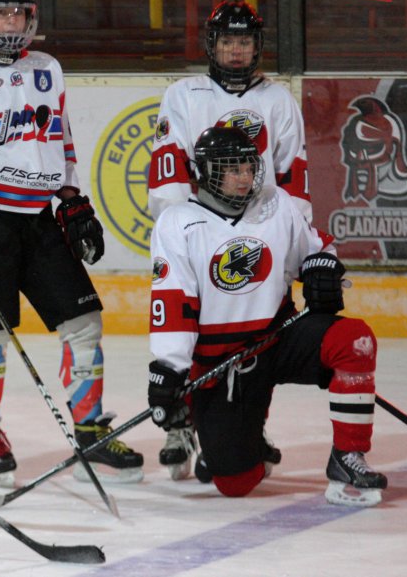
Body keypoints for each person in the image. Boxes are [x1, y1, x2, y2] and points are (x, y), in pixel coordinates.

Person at [0, 0, 144, 487]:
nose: (9, 21)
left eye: (17, 12)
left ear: (30, 17)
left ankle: (90, 431)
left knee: (83, 322)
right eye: (0, 12)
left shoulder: (48, 67)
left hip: (40, 220)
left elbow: (60, 140)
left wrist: (72, 199)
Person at [147, 126, 386, 507]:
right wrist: (170, 368)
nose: (244, 177)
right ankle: (224, 430)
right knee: (235, 482)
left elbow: (316, 247)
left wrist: (321, 268)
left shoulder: (277, 204)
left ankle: (348, 457)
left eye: (248, 167)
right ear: (205, 171)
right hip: (223, 361)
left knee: (353, 340)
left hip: (279, 337)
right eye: (232, 169)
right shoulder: (178, 222)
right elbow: (175, 301)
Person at [147, 0, 312, 480]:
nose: (236, 50)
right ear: (211, 45)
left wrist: (293, 244)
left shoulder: (277, 99)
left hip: (261, 231)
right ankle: (179, 424)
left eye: (244, 41)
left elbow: (292, 174)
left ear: (257, 47)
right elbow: (169, 166)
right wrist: (182, 231)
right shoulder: (183, 94)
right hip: (198, 233)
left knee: (261, 334)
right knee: (187, 328)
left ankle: (250, 425)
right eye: (227, 41)